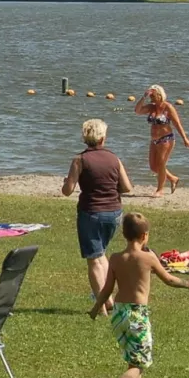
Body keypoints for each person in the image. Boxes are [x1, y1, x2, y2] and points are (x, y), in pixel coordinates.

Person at [89, 212, 189, 378]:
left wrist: (96, 308)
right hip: (137, 314)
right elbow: (169, 280)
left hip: (119, 314)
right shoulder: (148, 258)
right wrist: (188, 284)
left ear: (124, 234)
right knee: (140, 363)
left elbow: (107, 288)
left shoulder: (116, 258)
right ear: (145, 236)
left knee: (133, 359)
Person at [62, 119, 134, 301]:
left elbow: (67, 191)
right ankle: (108, 299)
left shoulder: (80, 160)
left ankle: (101, 306)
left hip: (91, 213)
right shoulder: (114, 158)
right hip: (114, 213)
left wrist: (67, 181)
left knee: (94, 259)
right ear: (103, 138)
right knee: (101, 254)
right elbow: (126, 187)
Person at [134, 84, 189, 195]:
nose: (152, 98)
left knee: (161, 164)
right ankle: (173, 178)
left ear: (160, 95)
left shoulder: (168, 107)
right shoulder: (151, 107)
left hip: (166, 139)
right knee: (153, 166)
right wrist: (144, 97)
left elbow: (177, 124)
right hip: (154, 140)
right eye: (151, 97)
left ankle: (159, 190)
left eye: (154, 96)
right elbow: (137, 111)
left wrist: (185, 138)